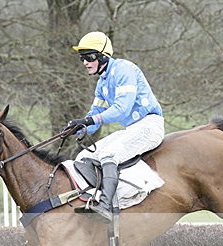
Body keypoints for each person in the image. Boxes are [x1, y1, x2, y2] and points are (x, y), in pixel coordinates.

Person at [65, 31, 164, 222]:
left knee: (109, 154)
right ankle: (93, 200)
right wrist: (78, 128)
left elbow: (121, 109)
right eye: (81, 58)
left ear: (103, 56)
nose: (85, 62)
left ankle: (106, 206)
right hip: (132, 129)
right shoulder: (101, 84)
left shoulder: (124, 70)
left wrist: (89, 121)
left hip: (150, 125)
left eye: (89, 57)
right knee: (84, 156)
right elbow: (94, 115)